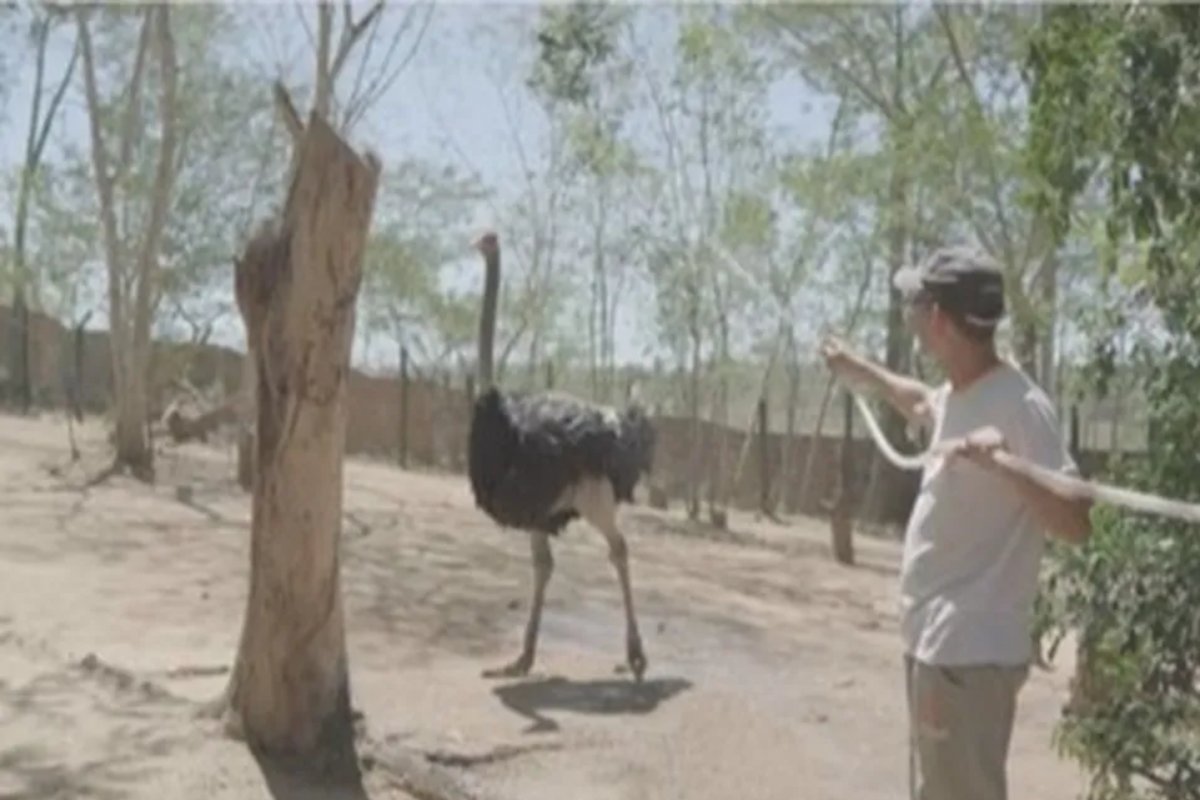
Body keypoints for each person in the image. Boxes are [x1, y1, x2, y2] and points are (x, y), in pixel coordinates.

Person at [819, 245, 1092, 800]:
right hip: (938, 645)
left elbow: (1076, 520)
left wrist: (1008, 466)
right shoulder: (961, 394)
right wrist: (857, 369)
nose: (912, 320)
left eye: (916, 305)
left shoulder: (1019, 404)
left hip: (968, 654)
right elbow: (920, 402)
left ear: (937, 319)